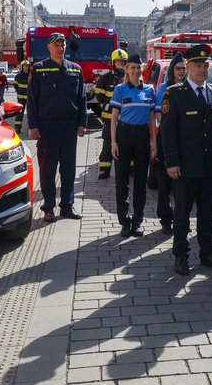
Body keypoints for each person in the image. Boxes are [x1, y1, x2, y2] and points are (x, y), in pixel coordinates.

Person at [160, 43, 212, 276]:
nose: (202, 69)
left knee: (207, 214)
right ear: (187, 67)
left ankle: (207, 254)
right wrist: (171, 162)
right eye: (197, 65)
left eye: (205, 65)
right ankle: (181, 255)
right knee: (182, 215)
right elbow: (167, 132)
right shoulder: (175, 94)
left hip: (210, 165)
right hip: (186, 166)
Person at [27, 32, 87, 222]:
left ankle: (67, 206)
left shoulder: (75, 70)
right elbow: (32, 100)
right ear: (49, 47)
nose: (60, 48)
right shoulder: (38, 69)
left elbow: (82, 98)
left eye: (63, 45)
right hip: (47, 127)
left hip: (69, 127)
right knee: (47, 170)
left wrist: (82, 123)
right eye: (57, 45)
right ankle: (48, 208)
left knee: (69, 170)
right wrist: (33, 125)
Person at [110, 54, 156, 238]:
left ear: (142, 69)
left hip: (142, 136)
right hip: (124, 135)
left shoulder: (149, 90)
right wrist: (113, 142)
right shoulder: (120, 90)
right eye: (132, 68)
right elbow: (113, 118)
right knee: (121, 181)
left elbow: (152, 118)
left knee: (140, 181)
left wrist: (153, 143)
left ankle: (137, 220)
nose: (136, 71)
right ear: (127, 70)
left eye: (139, 67)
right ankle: (124, 222)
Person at [154, 54, 187, 235]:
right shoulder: (164, 89)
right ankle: (165, 219)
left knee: (182, 185)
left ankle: (180, 218)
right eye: (178, 68)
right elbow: (159, 115)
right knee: (165, 183)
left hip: (185, 141)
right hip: (167, 139)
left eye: (183, 68)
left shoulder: (188, 87)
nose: (181, 71)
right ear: (172, 70)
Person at [95, 49, 128, 179]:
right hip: (109, 119)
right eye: (118, 61)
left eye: (122, 61)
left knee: (126, 143)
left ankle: (130, 167)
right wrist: (106, 108)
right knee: (108, 143)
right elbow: (99, 95)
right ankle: (104, 169)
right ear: (113, 62)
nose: (120, 63)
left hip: (126, 119)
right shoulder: (105, 78)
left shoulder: (129, 78)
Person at [13, 60, 31, 132]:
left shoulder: (31, 75)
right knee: (19, 113)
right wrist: (19, 91)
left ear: (29, 67)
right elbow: (15, 85)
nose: (25, 67)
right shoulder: (18, 76)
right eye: (24, 66)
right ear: (22, 67)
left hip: (29, 98)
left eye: (27, 66)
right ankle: (17, 128)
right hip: (20, 98)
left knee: (30, 114)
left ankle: (31, 128)